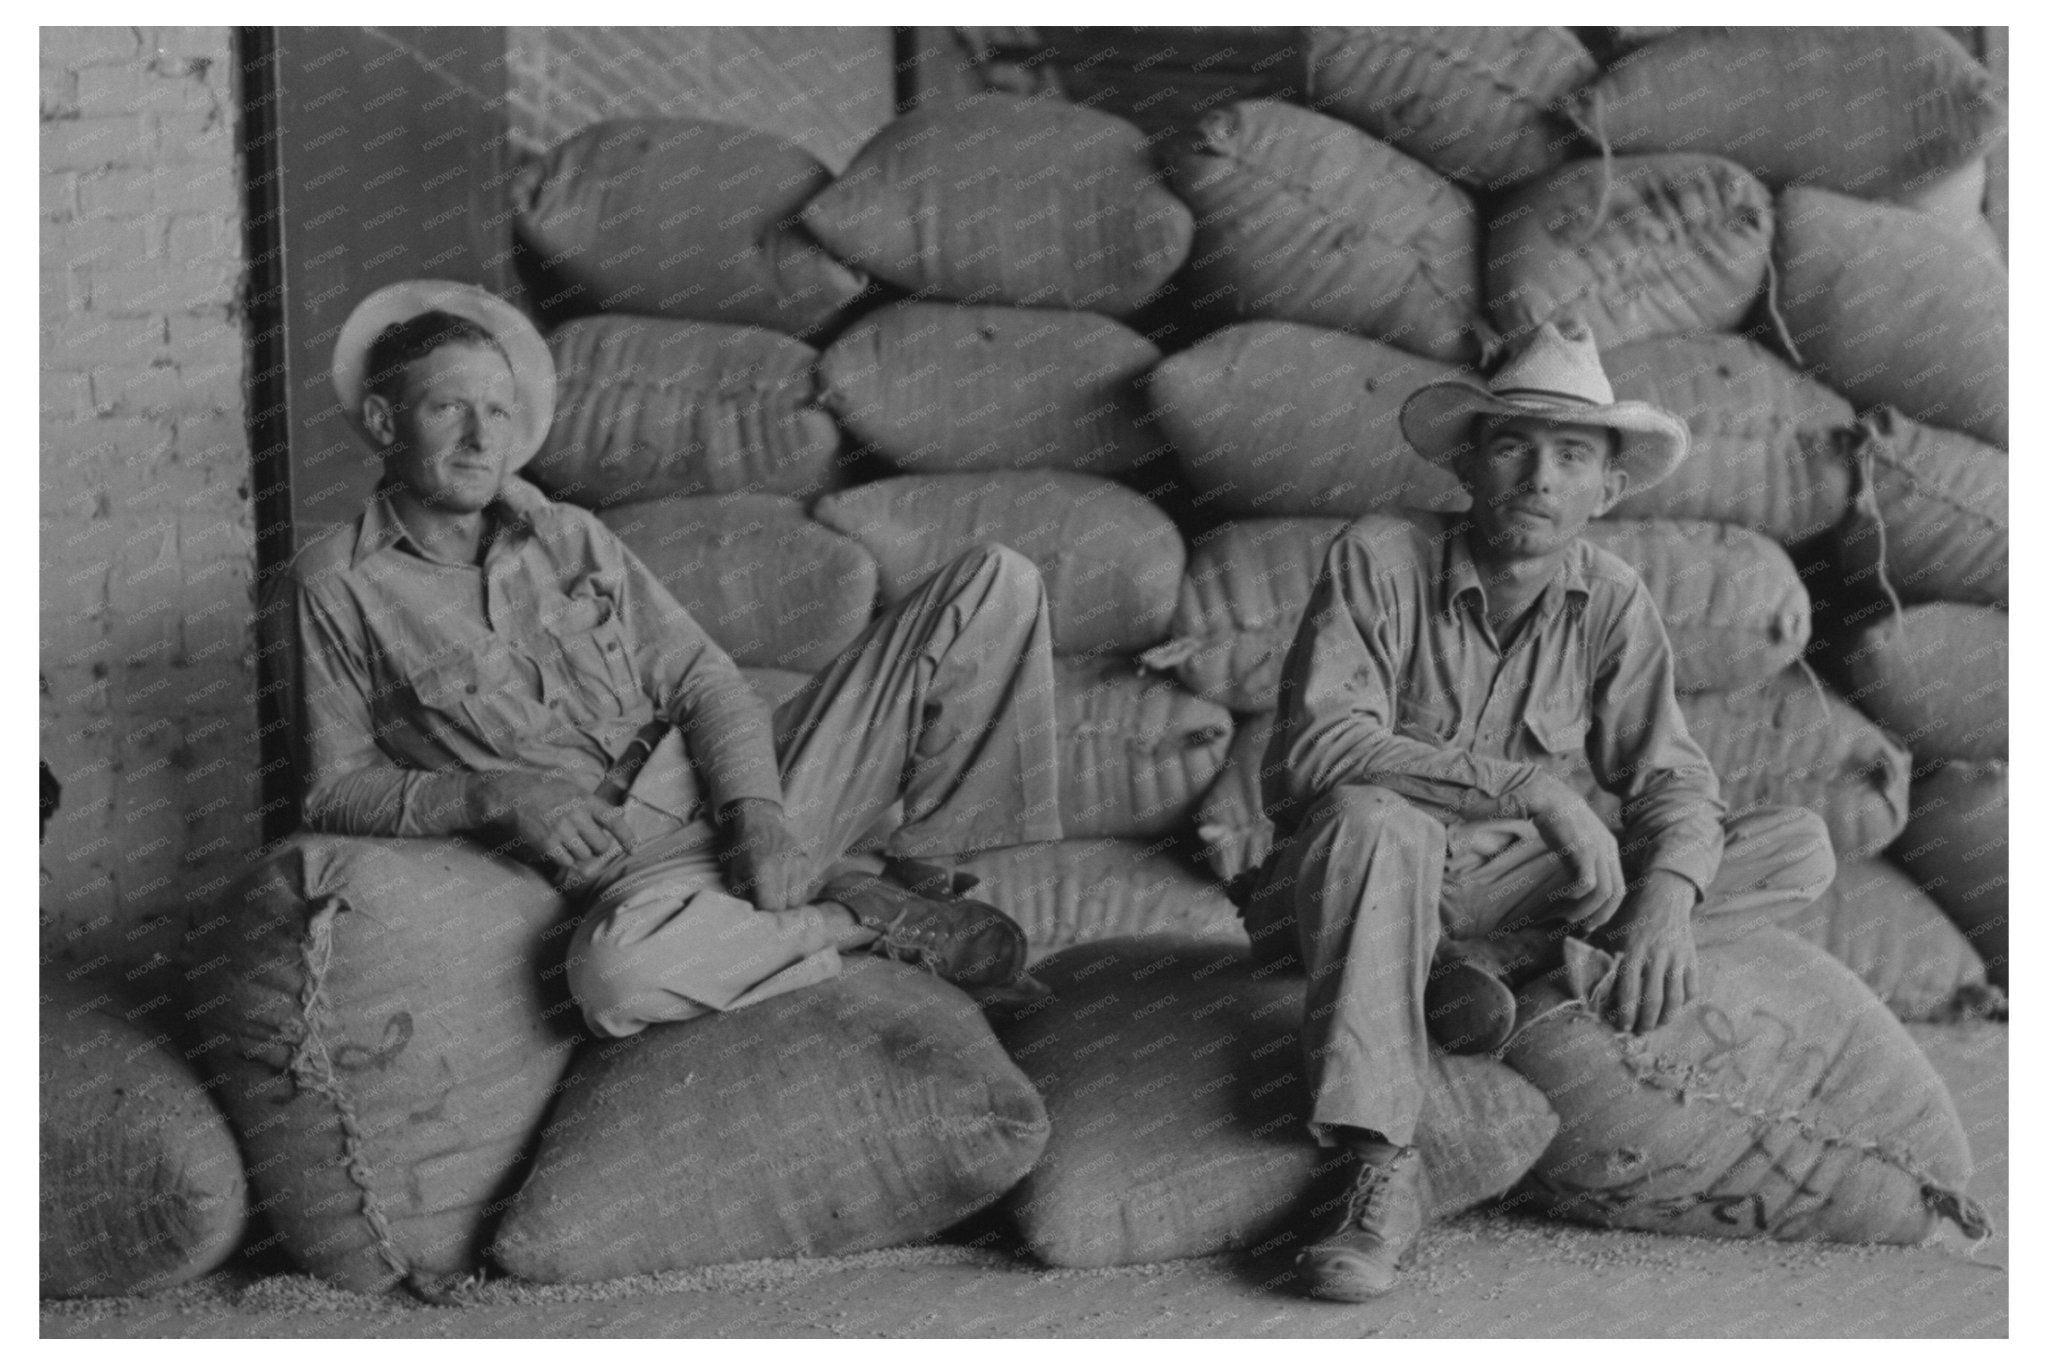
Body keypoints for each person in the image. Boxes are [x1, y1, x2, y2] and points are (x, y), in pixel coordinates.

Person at [275, 280, 1064, 1039]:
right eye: (448, 408)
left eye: (498, 410)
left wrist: (758, 813)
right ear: (383, 420)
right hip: (640, 873)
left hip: (761, 789)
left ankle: (927, 883)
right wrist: (493, 795)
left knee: (997, 582)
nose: (482, 440)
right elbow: (334, 790)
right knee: (615, 980)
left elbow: (702, 679)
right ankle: (861, 914)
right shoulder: (335, 585)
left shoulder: (571, 535)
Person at [1239, 320, 1834, 1302]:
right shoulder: (1381, 554)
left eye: (1571, 456)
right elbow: (1316, 750)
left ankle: (1488, 968)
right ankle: (1375, 1162)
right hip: (1348, 880)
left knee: (1793, 845)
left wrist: (1666, 901)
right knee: (1371, 817)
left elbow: (1672, 779)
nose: (1538, 478)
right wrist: (1530, 788)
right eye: (1512, 446)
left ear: (1608, 488)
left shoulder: (1612, 599)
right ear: (1467, 463)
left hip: (1502, 892)